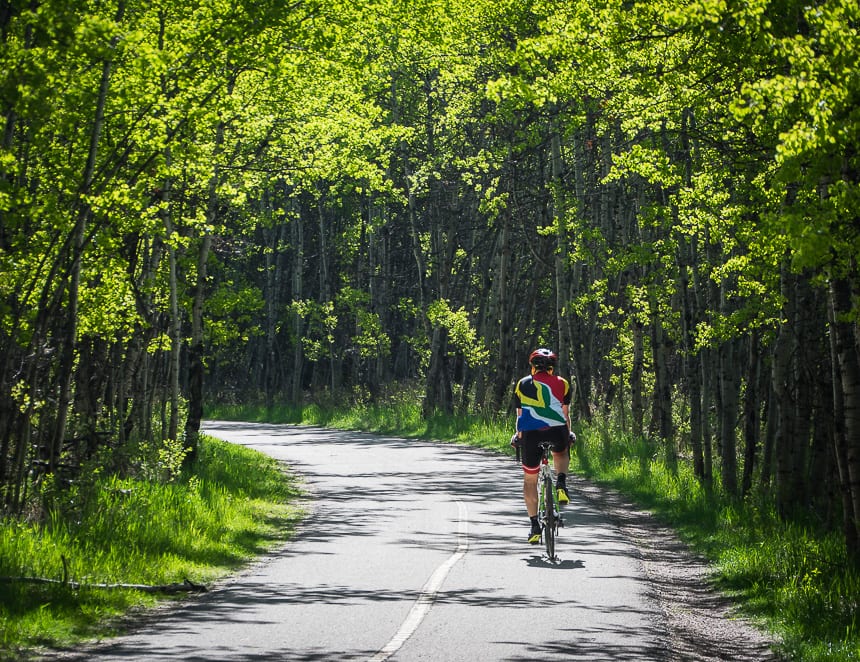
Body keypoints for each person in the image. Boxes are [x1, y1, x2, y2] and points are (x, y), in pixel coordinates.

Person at [511, 348, 575, 544]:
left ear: (532, 366)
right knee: (561, 452)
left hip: (531, 433)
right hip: (557, 430)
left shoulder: (522, 384)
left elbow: (520, 416)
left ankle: (534, 526)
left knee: (530, 480)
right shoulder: (563, 383)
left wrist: (518, 437)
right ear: (552, 367)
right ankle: (561, 483)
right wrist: (569, 433)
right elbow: (565, 414)